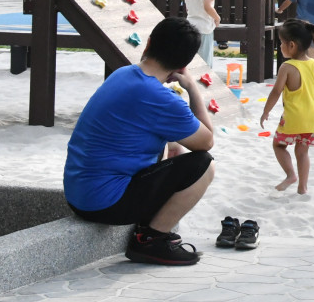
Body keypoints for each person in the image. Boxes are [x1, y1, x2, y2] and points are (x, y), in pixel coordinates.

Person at [63, 17, 215, 266]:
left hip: (79, 194)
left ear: (149, 43)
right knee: (204, 165)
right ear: (184, 64)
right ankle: (150, 240)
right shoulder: (159, 98)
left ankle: (150, 230)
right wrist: (191, 87)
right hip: (105, 203)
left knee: (173, 143)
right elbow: (206, 142)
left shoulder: (123, 74)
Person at [260, 20, 314, 194]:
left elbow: (276, 92)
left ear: (291, 45)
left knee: (279, 145)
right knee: (302, 152)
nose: (280, 47)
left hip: (292, 118)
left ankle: (291, 175)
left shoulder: (287, 67)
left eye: (281, 43)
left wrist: (266, 111)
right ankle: (302, 187)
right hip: (312, 118)